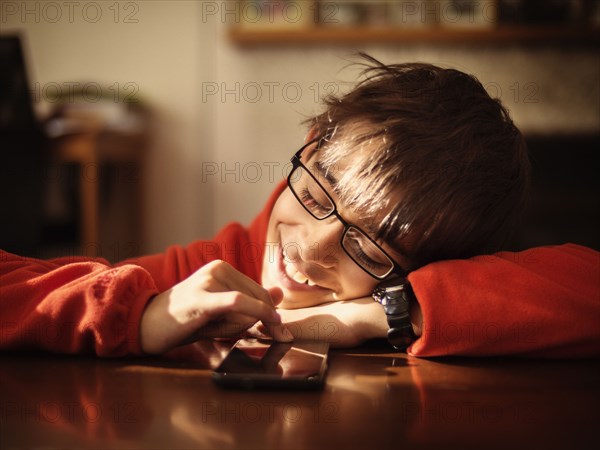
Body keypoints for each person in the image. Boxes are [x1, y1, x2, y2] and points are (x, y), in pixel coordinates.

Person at [1, 54, 598, 358]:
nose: (308, 248)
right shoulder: (210, 270)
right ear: (311, 142)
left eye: (368, 248)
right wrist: (141, 312)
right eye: (316, 193)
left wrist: (380, 315)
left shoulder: (443, 298)